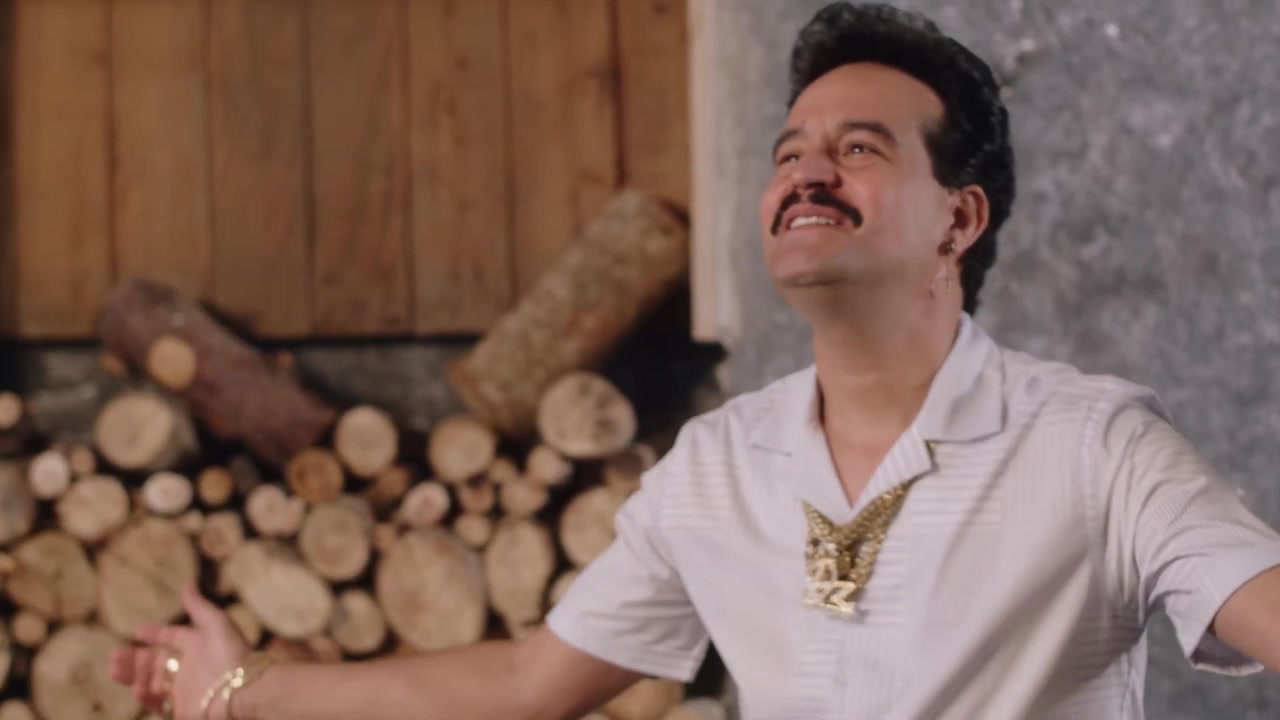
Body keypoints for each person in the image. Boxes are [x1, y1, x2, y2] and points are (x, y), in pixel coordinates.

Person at [110, 3, 1280, 719]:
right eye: (788, 150)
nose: (805, 171)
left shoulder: (1092, 449)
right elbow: (525, 685)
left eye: (858, 149)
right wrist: (240, 691)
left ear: (956, 221)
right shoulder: (716, 467)